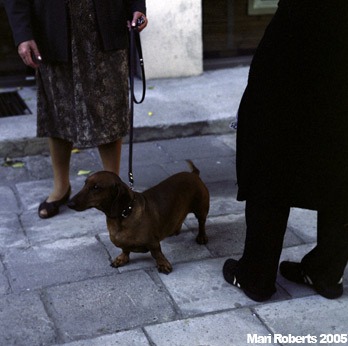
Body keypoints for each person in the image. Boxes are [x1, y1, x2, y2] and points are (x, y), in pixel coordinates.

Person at [223, 0, 348, 301]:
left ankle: (257, 275)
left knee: (270, 152)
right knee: (340, 153)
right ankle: (326, 271)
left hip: (296, 38)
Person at [4, 0, 147, 219]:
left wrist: (137, 4)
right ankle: (61, 188)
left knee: (108, 110)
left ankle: (113, 189)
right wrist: (23, 34)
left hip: (105, 24)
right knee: (58, 110)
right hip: (51, 29)